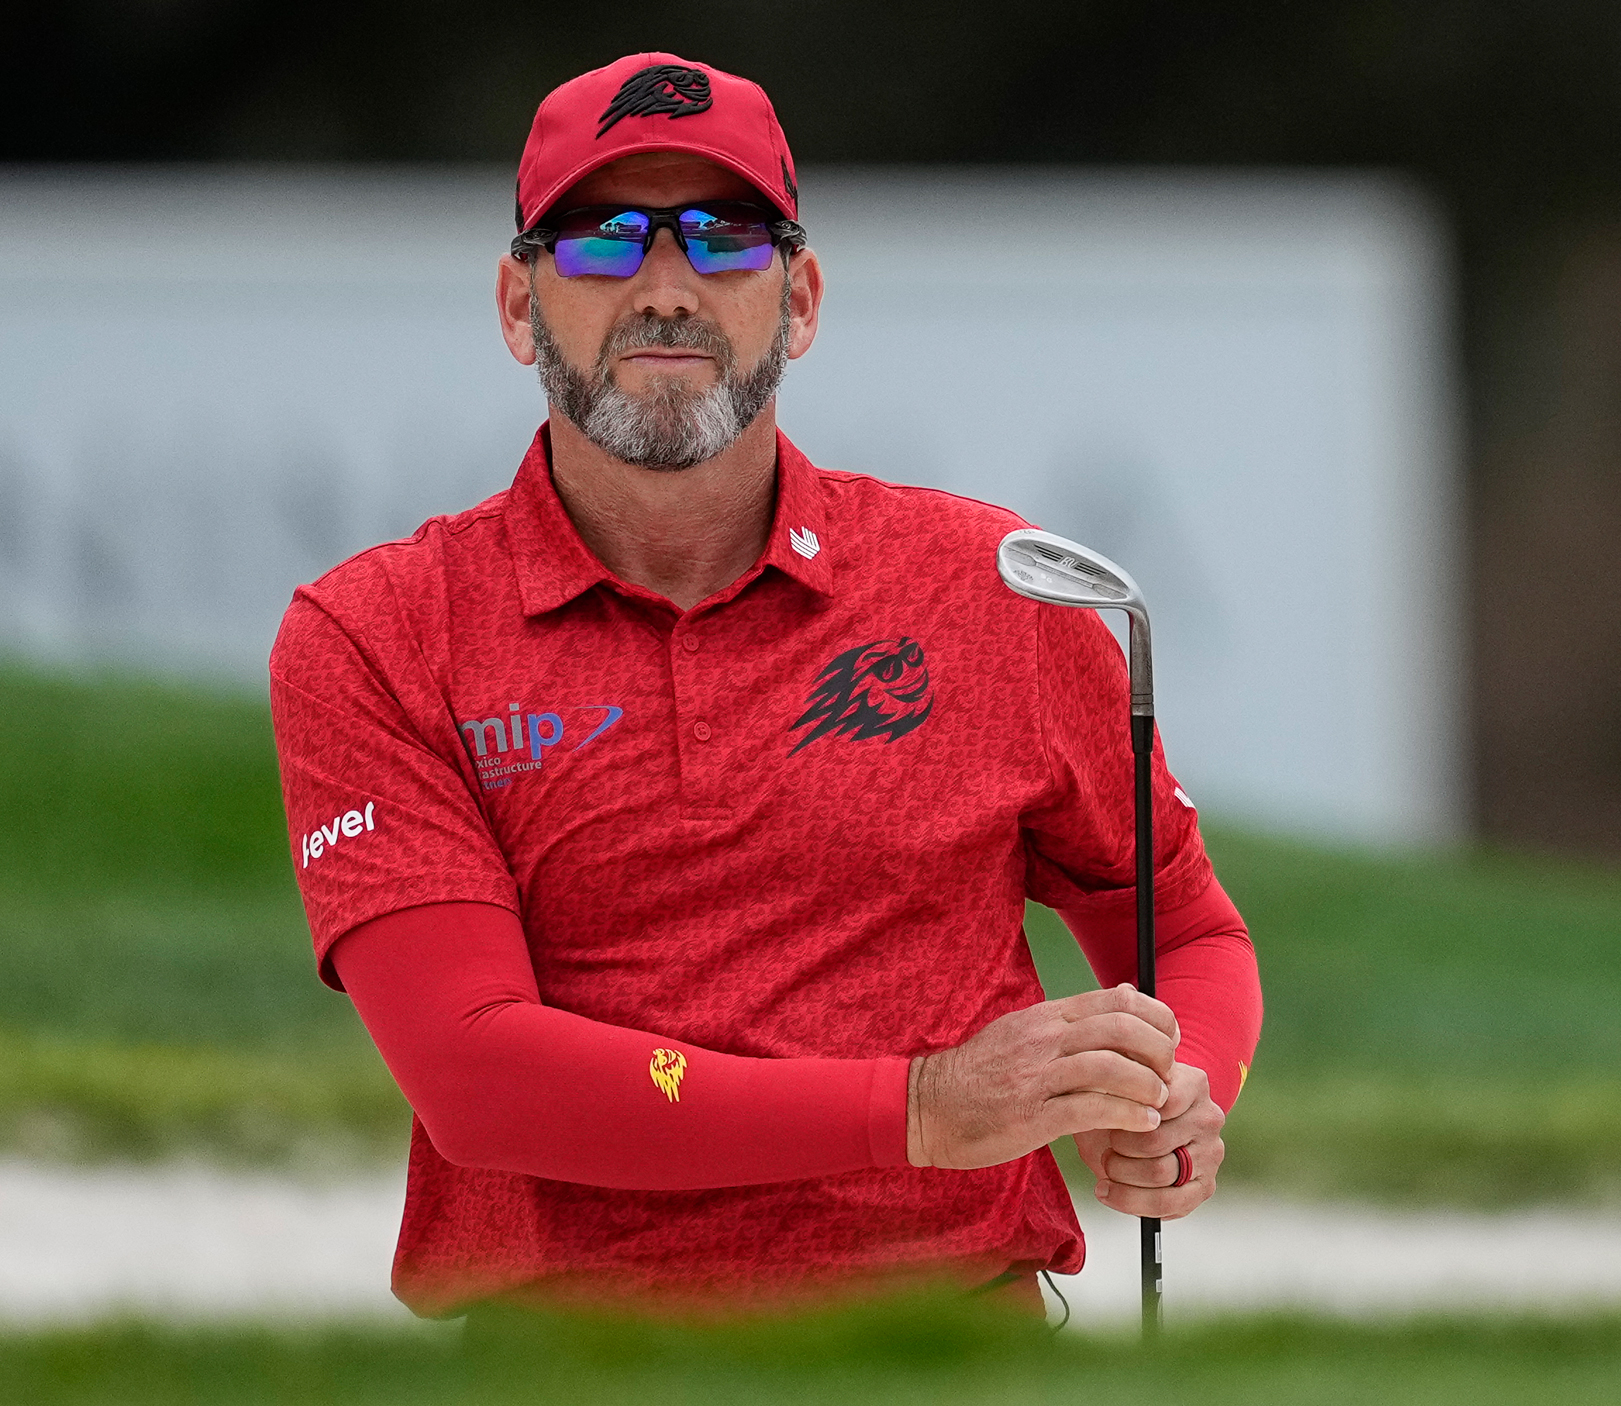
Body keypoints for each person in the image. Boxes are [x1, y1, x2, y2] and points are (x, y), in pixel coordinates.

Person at [269, 52, 1262, 1320]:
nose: (667, 287)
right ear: (519, 306)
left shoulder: (996, 586)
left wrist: (1178, 1092)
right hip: (570, 1362)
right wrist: (920, 1108)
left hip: (951, 1342)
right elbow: (479, 1077)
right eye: (601, 241)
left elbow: (1185, 931)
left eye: (726, 239)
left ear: (799, 300)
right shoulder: (376, 632)